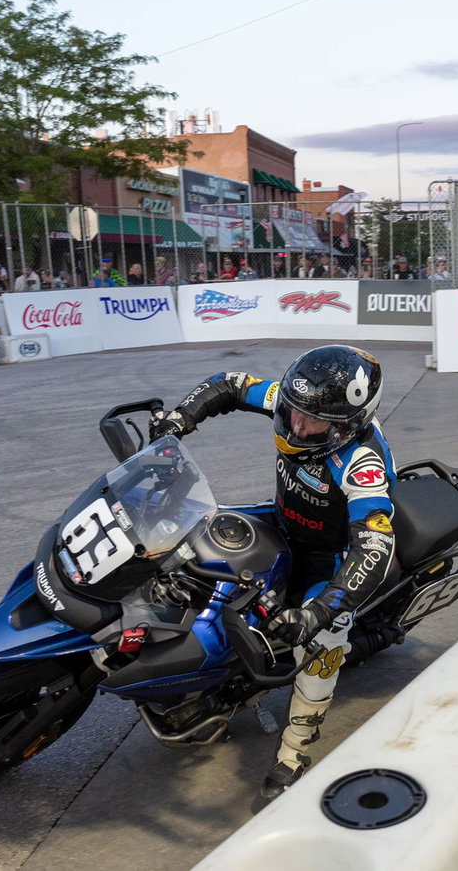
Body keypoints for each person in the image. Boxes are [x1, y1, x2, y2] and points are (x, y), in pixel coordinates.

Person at [151, 346, 397, 809]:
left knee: (320, 645)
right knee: (196, 547)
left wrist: (319, 612)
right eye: (292, 413)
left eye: (313, 423)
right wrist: (179, 420)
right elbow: (233, 384)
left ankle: (295, 750)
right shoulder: (300, 402)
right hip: (284, 520)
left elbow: (376, 546)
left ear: (346, 425)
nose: (297, 426)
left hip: (331, 556)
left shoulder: (363, 464)